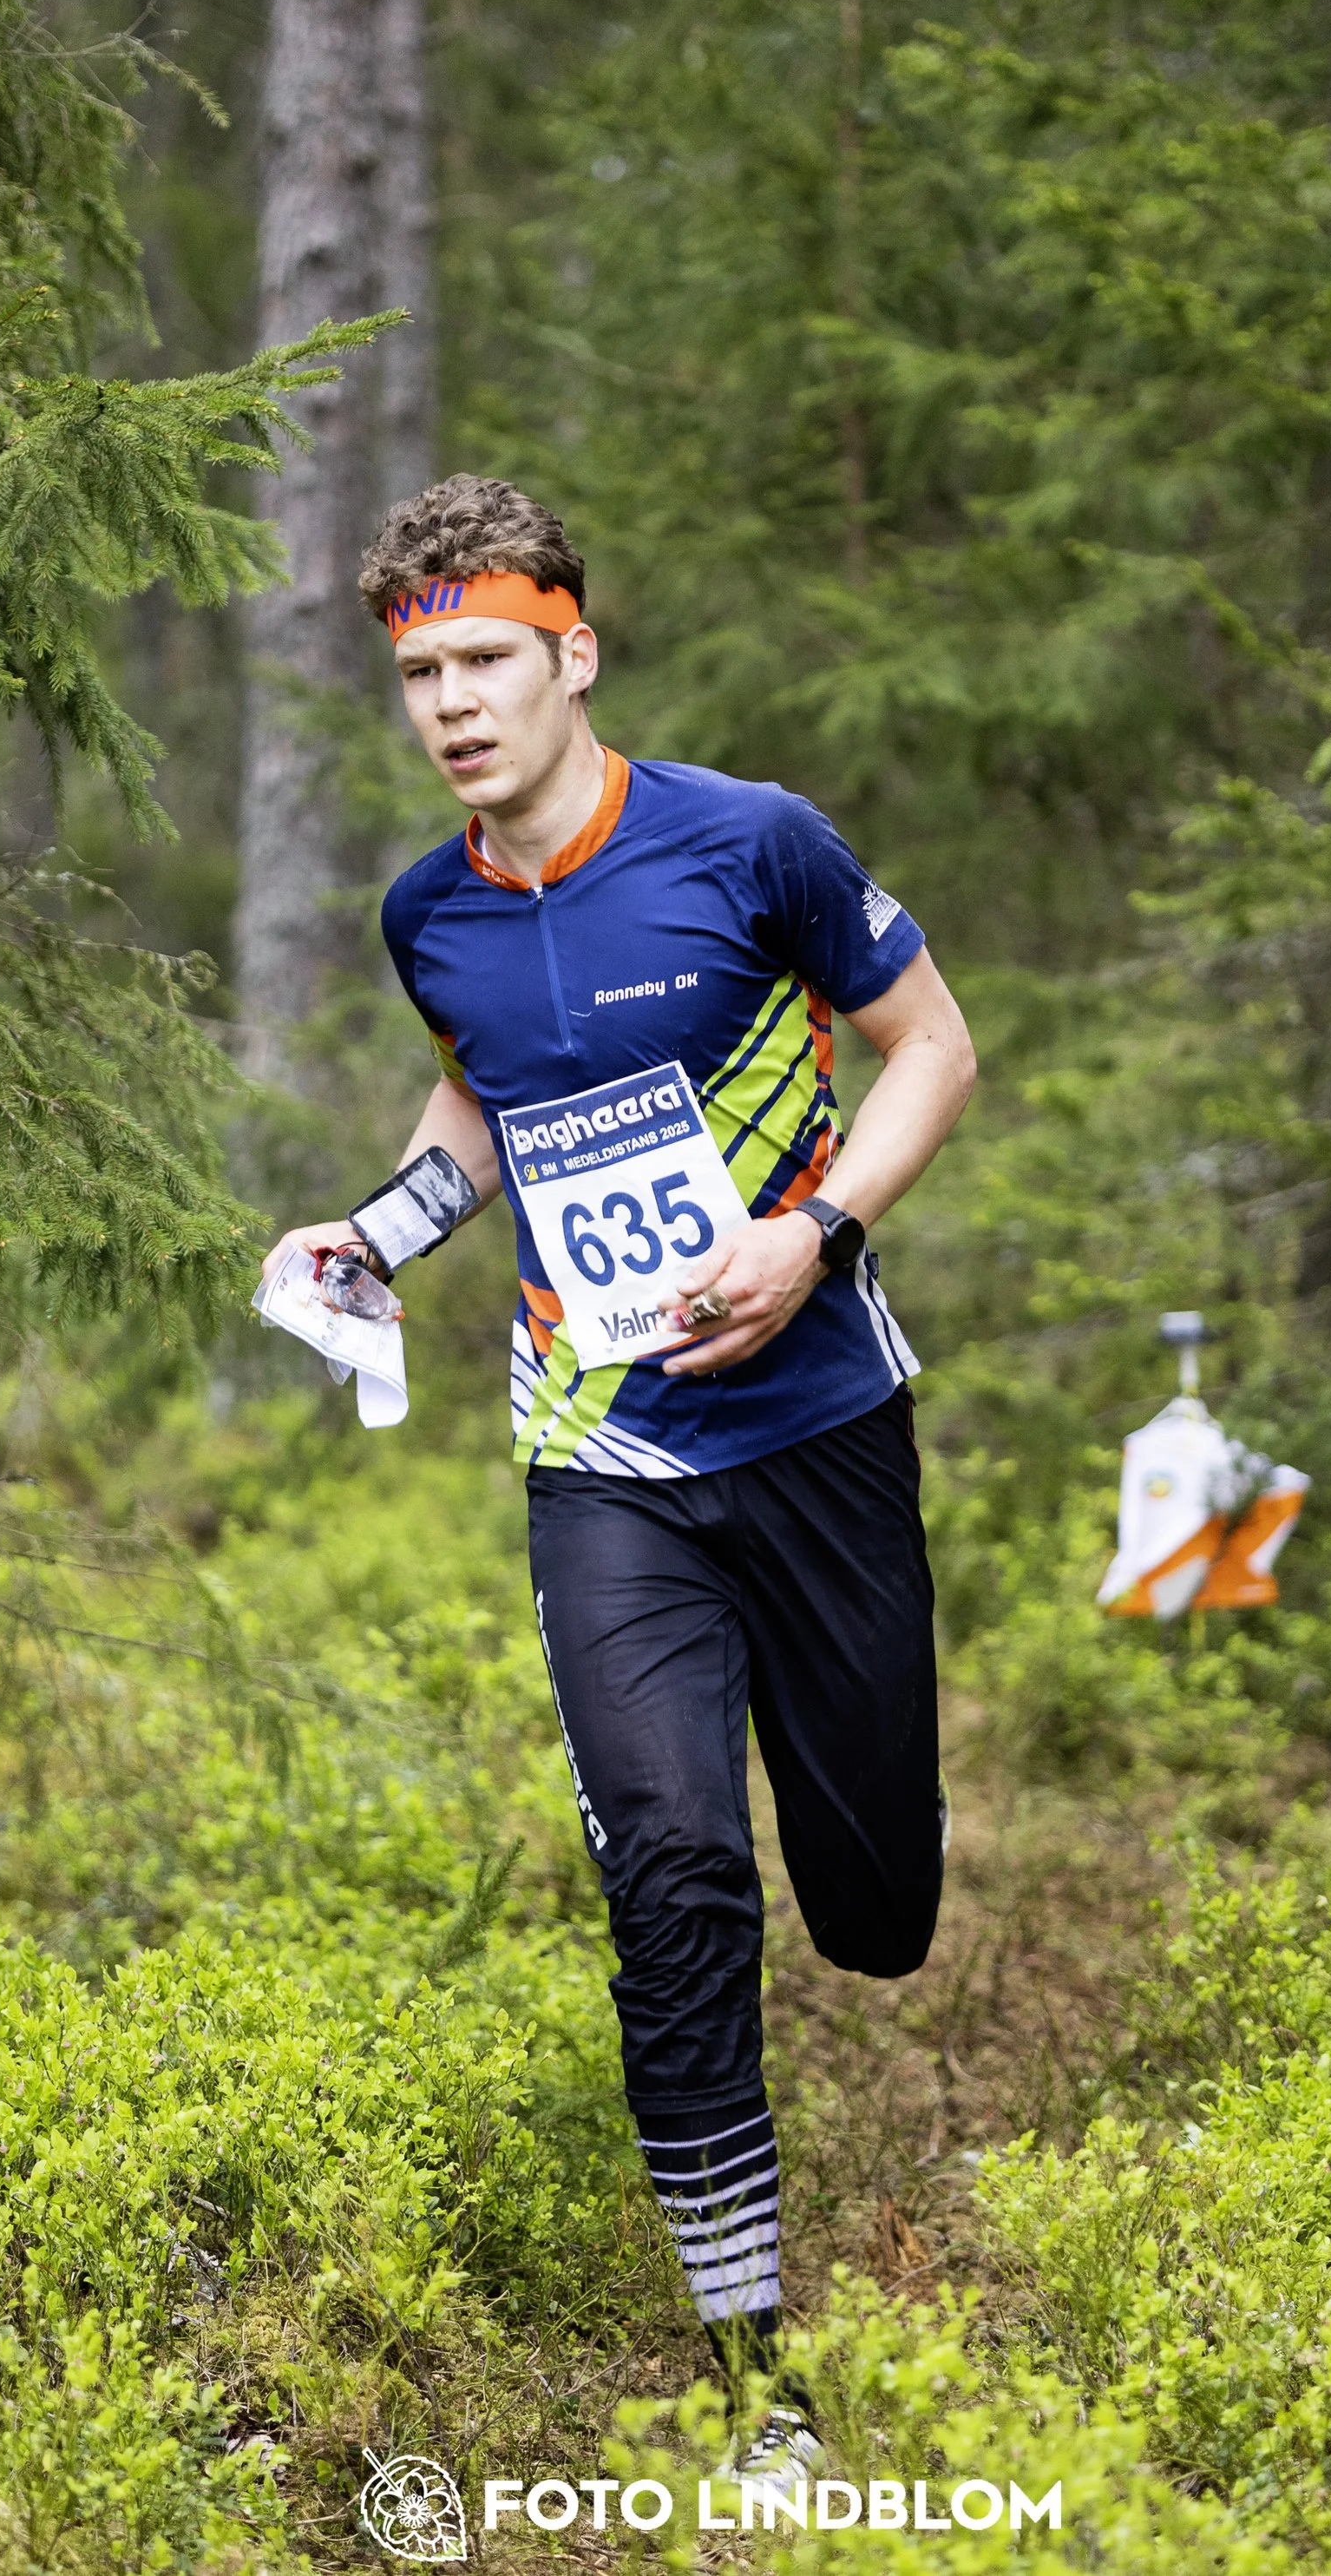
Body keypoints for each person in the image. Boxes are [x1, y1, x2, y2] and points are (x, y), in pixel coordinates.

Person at [264, 475, 975, 2479]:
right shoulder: (429, 911)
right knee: (671, 1883)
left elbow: (929, 1047)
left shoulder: (750, 844)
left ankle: (866, 1894)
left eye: (485, 658)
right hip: (600, 1454)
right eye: (418, 673)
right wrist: (376, 1234)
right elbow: (481, 1096)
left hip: (820, 1425)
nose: (453, 704)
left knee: (877, 1909)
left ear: (571, 651)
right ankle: (761, 2380)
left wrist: (811, 1230)